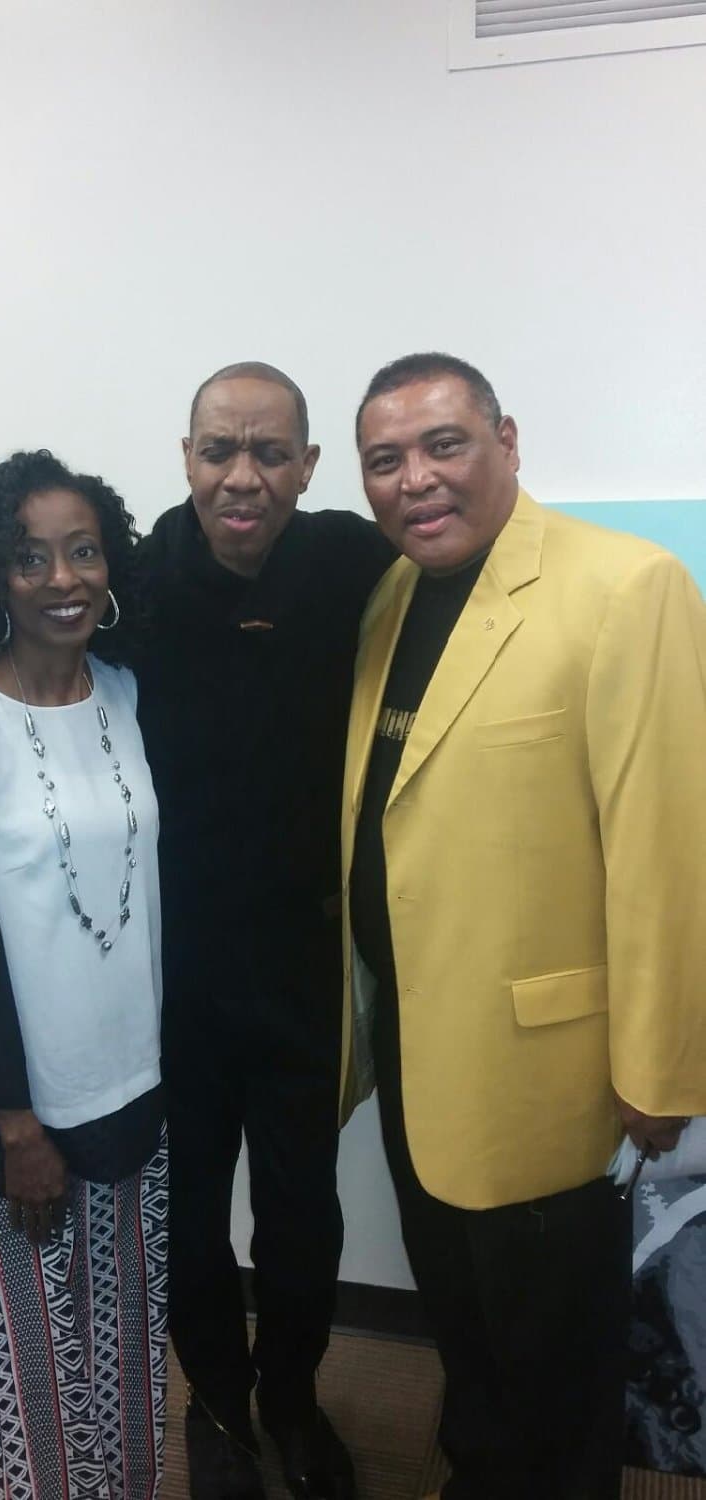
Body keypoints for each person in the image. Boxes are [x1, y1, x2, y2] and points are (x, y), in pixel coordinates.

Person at [0, 364, 395, 1500]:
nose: (242, 476)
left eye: (270, 453)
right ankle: (216, 1406)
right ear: (186, 456)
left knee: (305, 1217)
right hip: (177, 980)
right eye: (220, 449)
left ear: (308, 467)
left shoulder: (356, 562)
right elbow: (5, 714)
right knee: (188, 1224)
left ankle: (293, 1401)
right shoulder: (142, 581)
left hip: (306, 963)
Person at [341, 352, 706, 1500]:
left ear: (507, 440)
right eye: (385, 461)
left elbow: (667, 845)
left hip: (550, 1068)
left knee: (557, 1364)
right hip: (416, 1044)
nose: (416, 480)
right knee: (466, 1328)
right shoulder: (392, 597)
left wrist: (663, 1068)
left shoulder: (625, 586)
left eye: (443, 444)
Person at [0, 450, 167, 1500]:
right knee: (42, 1383)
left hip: (134, 1090)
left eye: (82, 552)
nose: (62, 578)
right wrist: (12, 1120)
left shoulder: (128, 689)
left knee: (130, 1356)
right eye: (30, 558)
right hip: (15, 1113)